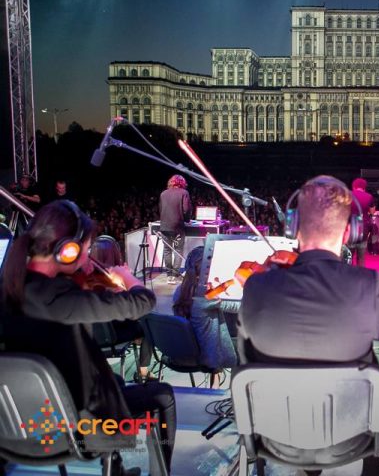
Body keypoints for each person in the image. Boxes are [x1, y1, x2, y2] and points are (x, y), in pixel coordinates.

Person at [238, 175, 379, 476]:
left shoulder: (256, 287)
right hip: (353, 439)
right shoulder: (367, 284)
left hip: (274, 439)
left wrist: (269, 276)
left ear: (293, 228)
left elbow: (245, 352)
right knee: (373, 365)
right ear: (350, 232)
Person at [0, 200, 176, 474]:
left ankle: (116, 468)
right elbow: (143, 302)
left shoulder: (11, 288)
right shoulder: (59, 297)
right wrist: (126, 277)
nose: (86, 260)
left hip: (19, 428)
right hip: (77, 429)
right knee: (162, 396)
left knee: (115, 381)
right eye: (86, 249)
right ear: (68, 250)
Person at [89, 235, 155, 383]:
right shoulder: (117, 279)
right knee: (149, 326)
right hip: (115, 334)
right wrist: (127, 277)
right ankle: (143, 372)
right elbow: (140, 304)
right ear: (115, 253)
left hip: (93, 335)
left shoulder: (86, 278)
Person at [172, 246, 237, 388]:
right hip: (208, 354)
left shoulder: (179, 291)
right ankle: (234, 389)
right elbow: (236, 306)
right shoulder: (205, 297)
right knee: (242, 342)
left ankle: (216, 379)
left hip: (186, 350)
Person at [159, 174, 191, 284]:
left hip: (164, 226)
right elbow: (186, 210)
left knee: (167, 250)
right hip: (177, 226)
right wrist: (187, 220)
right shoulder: (184, 193)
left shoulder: (163, 193)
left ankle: (169, 275)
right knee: (178, 250)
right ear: (182, 183)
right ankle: (175, 275)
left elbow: (161, 209)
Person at [348, 177, 375, 267]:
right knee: (361, 257)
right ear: (364, 187)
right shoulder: (369, 197)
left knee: (349, 256)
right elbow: (372, 212)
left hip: (350, 229)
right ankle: (360, 274)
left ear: (354, 186)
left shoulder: (348, 195)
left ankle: (347, 273)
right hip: (363, 229)